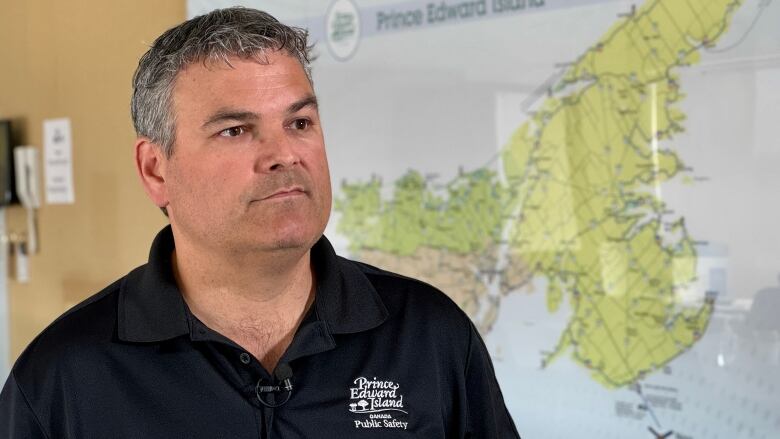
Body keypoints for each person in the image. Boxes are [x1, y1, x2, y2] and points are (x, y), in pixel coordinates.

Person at [0, 7, 520, 438]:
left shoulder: (429, 335)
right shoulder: (61, 377)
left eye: (299, 123)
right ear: (156, 170)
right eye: (235, 130)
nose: (284, 155)